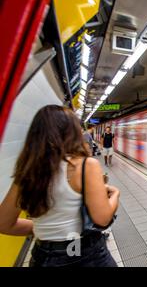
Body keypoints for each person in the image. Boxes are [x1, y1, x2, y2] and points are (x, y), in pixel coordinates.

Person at [0, 105, 120, 267]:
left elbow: (4, 223)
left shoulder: (27, 171)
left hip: (44, 257)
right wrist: (115, 194)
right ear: (72, 132)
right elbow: (103, 218)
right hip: (83, 253)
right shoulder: (85, 165)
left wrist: (46, 230)